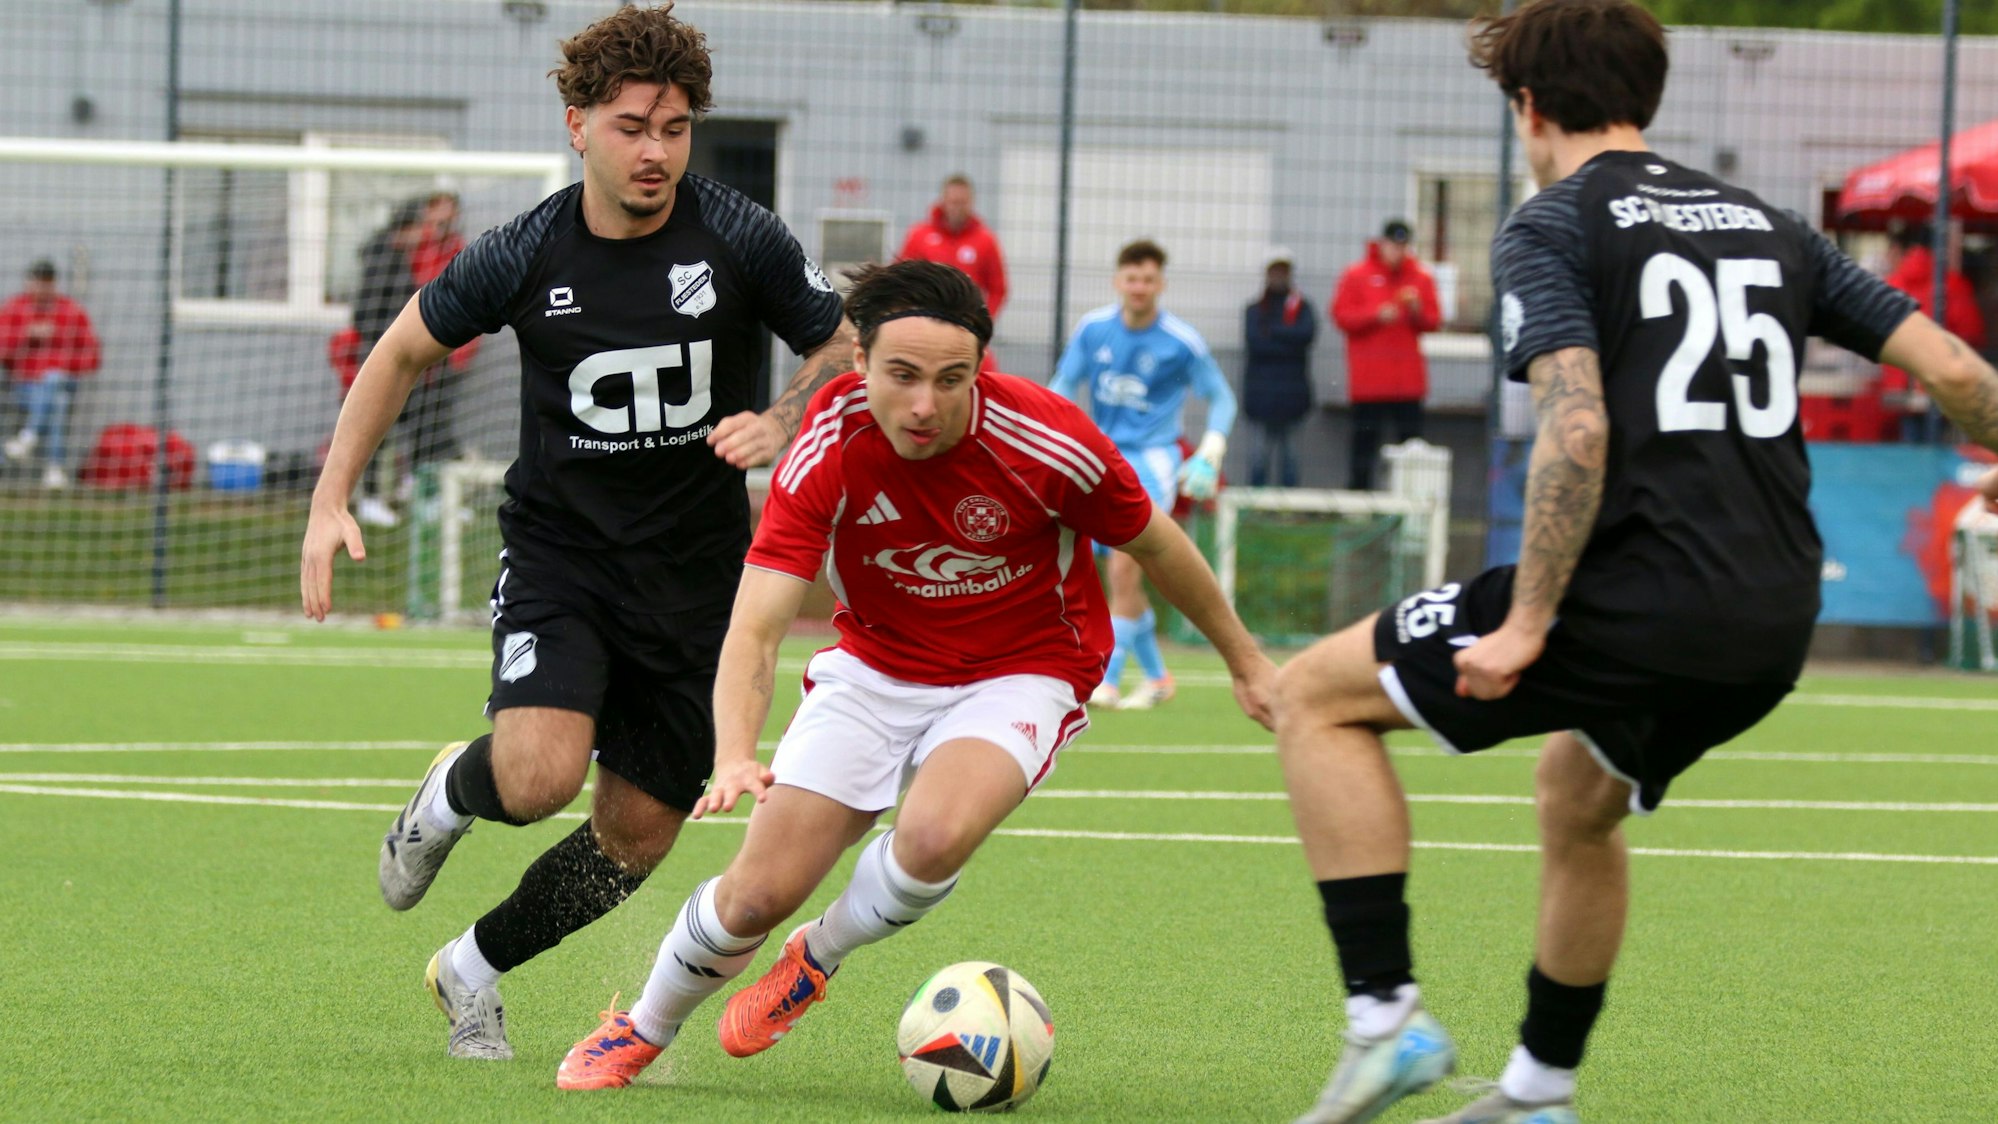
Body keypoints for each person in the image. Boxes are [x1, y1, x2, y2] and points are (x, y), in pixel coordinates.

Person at [1273, 2, 1998, 1122]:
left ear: (1527, 105)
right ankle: (1538, 1091)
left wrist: (1527, 621)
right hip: (1773, 615)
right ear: (1643, 96)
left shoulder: (1552, 224)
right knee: (1577, 794)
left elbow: (1577, 425)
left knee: (1309, 696)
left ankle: (1384, 1020)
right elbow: (1953, 368)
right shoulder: (1772, 226)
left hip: (1639, 595)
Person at [550, 259, 1276, 1091]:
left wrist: (1246, 662)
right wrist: (737, 752)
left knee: (933, 836)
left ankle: (817, 956)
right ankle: (641, 1028)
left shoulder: (1048, 439)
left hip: (1025, 666)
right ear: (859, 364)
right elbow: (755, 625)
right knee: (753, 897)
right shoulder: (829, 441)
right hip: (874, 666)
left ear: (980, 371)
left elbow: (1156, 544)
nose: (925, 404)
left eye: (951, 379)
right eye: (901, 376)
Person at [298, 2, 855, 1062]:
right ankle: (453, 791)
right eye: (633, 124)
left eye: (676, 127)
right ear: (577, 127)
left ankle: (472, 966)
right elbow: (400, 352)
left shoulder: (739, 235)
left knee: (637, 837)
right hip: (564, 557)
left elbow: (844, 344)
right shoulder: (521, 252)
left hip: (698, 585)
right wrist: (333, 499)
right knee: (539, 773)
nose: (656, 149)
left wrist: (781, 419)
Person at [1049, 239, 1237, 710]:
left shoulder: (1180, 340)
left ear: (1161, 285)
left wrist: (1210, 452)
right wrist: (1052, 437)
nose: (1139, 287)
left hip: (1154, 462)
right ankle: (1157, 677)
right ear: (1118, 281)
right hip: (1101, 457)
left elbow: (1223, 398)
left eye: (1148, 279)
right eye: (1132, 278)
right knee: (1115, 577)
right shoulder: (1093, 330)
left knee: (1123, 569)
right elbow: (1062, 386)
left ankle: (1105, 681)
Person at [1331, 218, 1440, 490]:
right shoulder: (1357, 275)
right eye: (1393, 245)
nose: (1397, 252)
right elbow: (1341, 316)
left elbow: (1433, 321)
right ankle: (1359, 500)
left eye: (1403, 246)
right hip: (1370, 381)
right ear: (1382, 244)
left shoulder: (1420, 277)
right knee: (1364, 444)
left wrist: (1415, 310)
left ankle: (1410, 501)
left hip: (1406, 381)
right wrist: (1375, 315)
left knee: (1411, 446)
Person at [348, 200, 428, 527]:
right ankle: (368, 499)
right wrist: (389, 345)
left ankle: (411, 487)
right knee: (375, 427)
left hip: (402, 358)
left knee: (415, 419)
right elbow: (364, 314)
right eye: (419, 226)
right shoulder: (382, 260)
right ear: (405, 228)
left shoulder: (395, 257)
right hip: (381, 357)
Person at [0, 259, 101, 489]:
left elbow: (93, 357)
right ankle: (55, 468)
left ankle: (28, 438)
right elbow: (2, 353)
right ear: (29, 283)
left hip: (63, 380)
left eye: (47, 283)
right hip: (23, 387)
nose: (42, 288)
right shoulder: (14, 309)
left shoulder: (71, 311)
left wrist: (62, 366)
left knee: (54, 380)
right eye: (38, 282)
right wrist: (26, 336)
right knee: (58, 402)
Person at [1880, 223, 1985, 443]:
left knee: (1910, 444)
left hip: (1901, 382)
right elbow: (1972, 332)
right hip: (1943, 382)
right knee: (1942, 448)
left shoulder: (1890, 284)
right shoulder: (1953, 284)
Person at [897, 174, 1009, 373]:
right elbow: (900, 281)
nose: (957, 207)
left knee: (985, 373)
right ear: (943, 201)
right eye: (953, 201)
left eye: (963, 202)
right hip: (925, 327)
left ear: (971, 203)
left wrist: (982, 321)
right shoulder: (920, 236)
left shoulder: (985, 240)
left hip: (965, 327)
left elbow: (998, 288)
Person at [1242, 248, 1318, 487]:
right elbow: (1256, 344)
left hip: (1292, 395)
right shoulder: (1254, 309)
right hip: (1261, 394)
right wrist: (1288, 339)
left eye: (1283, 271)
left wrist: (1273, 332)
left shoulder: (1302, 308)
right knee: (1259, 455)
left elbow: (1305, 337)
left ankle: (1287, 507)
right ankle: (1255, 505)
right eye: (1274, 271)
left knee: (1291, 456)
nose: (1278, 276)